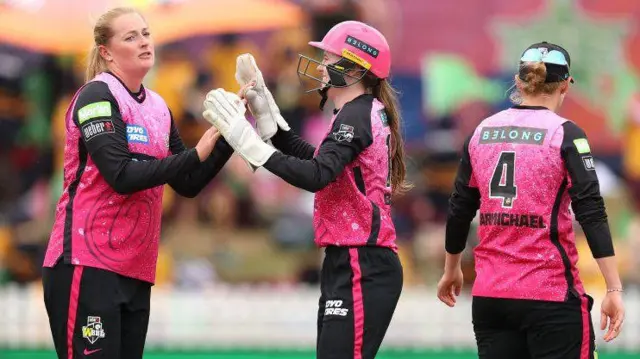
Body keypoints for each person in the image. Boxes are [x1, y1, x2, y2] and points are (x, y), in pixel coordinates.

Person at [203, 20, 408, 359]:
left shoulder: (356, 115)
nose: (322, 67)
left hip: (362, 261)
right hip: (352, 258)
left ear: (354, 68)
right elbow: (316, 159)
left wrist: (246, 139)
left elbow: (316, 175)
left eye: (329, 60)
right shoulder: (356, 112)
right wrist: (266, 113)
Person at [41, 7, 234, 359]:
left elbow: (188, 183)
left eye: (145, 33)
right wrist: (197, 152)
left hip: (135, 269)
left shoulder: (159, 106)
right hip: (86, 265)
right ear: (107, 52)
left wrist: (229, 137)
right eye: (131, 36)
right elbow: (121, 176)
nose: (144, 42)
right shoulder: (96, 96)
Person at [436, 41, 625, 359]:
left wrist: (451, 268)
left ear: (519, 80)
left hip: (491, 298)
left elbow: (459, 208)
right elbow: (591, 209)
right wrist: (613, 288)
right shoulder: (566, 133)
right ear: (565, 85)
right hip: (550, 295)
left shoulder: (481, 131)